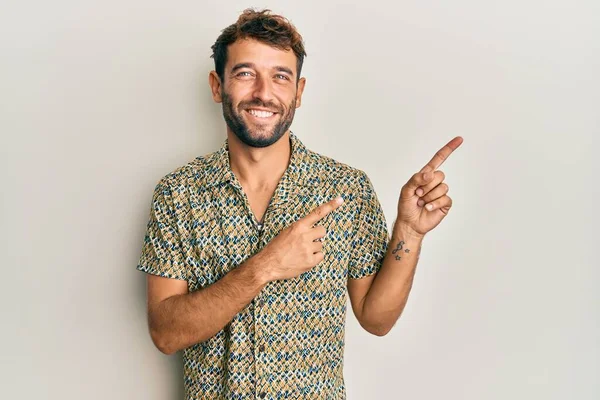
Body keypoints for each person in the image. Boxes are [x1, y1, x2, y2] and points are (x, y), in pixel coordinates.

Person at [136, 8, 463, 400]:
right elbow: (166, 333)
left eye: (280, 76)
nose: (263, 92)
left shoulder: (347, 189)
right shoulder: (177, 194)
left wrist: (408, 231)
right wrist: (267, 265)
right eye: (244, 73)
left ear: (299, 92)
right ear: (217, 85)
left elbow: (376, 319)